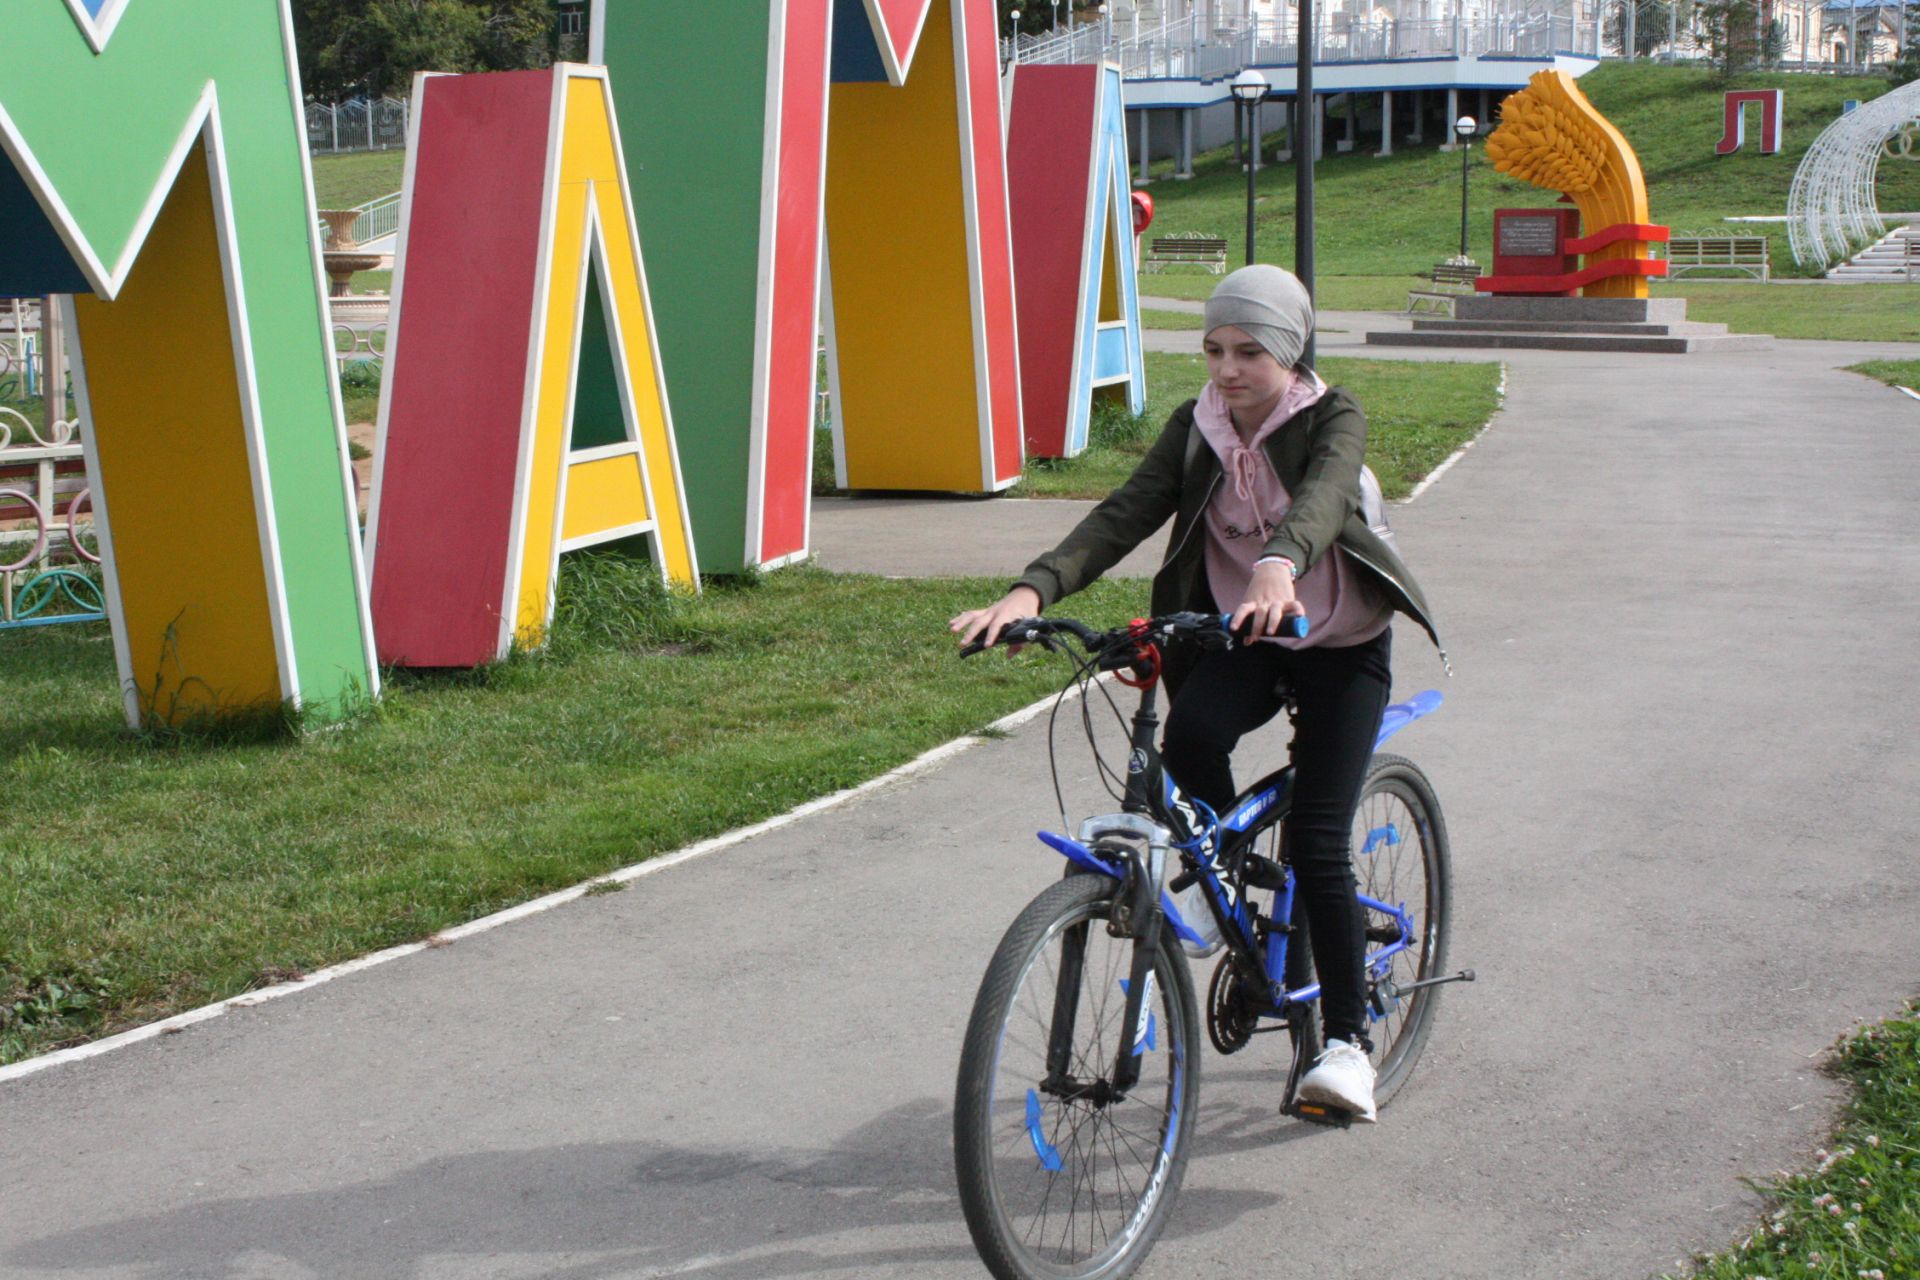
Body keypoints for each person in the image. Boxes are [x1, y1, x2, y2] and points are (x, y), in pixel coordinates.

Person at [950, 265, 1441, 1124]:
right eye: (1213, 348)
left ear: (1289, 354)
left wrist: (1278, 564)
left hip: (1340, 645)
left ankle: (1348, 1046)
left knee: (1321, 843)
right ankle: (1226, 881)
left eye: (1250, 351)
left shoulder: (1334, 415)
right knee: (1190, 739)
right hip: (1245, 635)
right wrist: (1031, 593)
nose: (1226, 368)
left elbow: (1324, 496)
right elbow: (1122, 514)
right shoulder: (1197, 429)